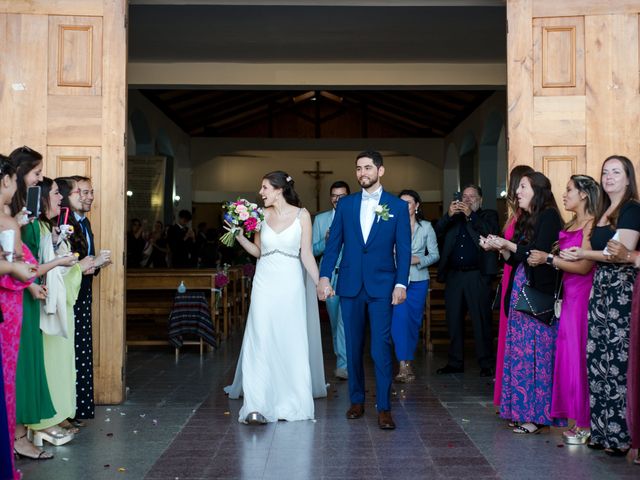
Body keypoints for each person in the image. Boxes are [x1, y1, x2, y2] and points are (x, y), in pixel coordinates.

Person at [317, 150, 411, 430]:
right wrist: (324, 277)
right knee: (353, 346)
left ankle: (384, 407)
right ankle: (356, 401)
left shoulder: (396, 206)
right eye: (358, 169)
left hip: (383, 286)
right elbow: (333, 245)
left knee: (381, 348)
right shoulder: (346, 205)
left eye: (368, 168)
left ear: (380, 171)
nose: (362, 173)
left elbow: (404, 250)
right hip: (349, 285)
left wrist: (401, 282)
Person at [225, 171, 326, 424]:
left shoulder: (302, 216)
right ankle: (256, 405)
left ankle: (290, 400)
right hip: (264, 283)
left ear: (279, 189)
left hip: (291, 283)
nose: (261, 193)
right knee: (261, 337)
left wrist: (320, 283)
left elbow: (306, 255)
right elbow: (258, 252)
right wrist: (239, 236)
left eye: (265, 188)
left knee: (289, 338)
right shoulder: (260, 215)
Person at [560, 155, 640, 456]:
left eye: (616, 172)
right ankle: (601, 430)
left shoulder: (632, 209)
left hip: (621, 289)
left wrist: (582, 253)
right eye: (605, 172)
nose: (608, 177)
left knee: (617, 363)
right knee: (597, 359)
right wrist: (587, 253)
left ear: (628, 178)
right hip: (601, 288)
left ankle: (619, 436)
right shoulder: (604, 211)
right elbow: (604, 252)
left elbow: (621, 252)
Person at [484, 171, 565, 434]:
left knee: (536, 354)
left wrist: (509, 244)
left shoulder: (549, 215)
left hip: (536, 292)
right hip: (520, 287)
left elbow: (536, 254)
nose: (516, 192)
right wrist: (500, 247)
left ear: (537, 190)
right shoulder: (527, 219)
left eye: (522, 187)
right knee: (520, 352)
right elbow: (516, 258)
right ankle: (520, 410)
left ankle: (537, 416)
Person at [527, 175, 599, 444]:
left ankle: (586, 422)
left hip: (582, 296)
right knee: (568, 359)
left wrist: (549, 259)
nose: (564, 194)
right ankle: (575, 419)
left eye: (569, 190)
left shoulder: (592, 225)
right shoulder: (570, 223)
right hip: (567, 295)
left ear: (583, 194)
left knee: (580, 358)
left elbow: (583, 266)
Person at [26, 178, 94, 446]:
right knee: (51, 362)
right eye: (55, 193)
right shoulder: (36, 227)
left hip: (60, 301)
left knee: (64, 361)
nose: (60, 199)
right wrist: (73, 264)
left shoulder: (49, 226)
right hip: (45, 302)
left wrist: (68, 260)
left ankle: (58, 415)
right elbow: (37, 265)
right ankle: (44, 421)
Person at [434, 185, 499, 376]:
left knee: (481, 320)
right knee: (453, 320)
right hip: (454, 276)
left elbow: (490, 232)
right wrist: (447, 215)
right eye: (464, 196)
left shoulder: (488, 215)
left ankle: (486, 363)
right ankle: (455, 362)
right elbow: (436, 234)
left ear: (480, 199)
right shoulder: (453, 219)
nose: (468, 199)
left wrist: (471, 215)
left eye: (472, 196)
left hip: (477, 275)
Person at [61, 175, 110, 421]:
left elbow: (85, 261)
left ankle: (78, 408)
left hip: (82, 290)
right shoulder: (65, 223)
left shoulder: (85, 223)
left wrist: (96, 264)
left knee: (80, 349)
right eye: (84, 192)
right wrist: (88, 264)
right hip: (68, 292)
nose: (89, 196)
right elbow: (64, 261)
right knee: (69, 350)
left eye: (91, 192)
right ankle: (68, 411)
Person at [492, 165, 534, 407]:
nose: (515, 189)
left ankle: (514, 397)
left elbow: (521, 246)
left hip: (518, 271)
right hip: (511, 269)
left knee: (516, 334)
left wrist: (504, 245)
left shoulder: (525, 216)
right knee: (508, 333)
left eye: (518, 185)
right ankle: (508, 397)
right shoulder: (515, 213)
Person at [392, 189, 439, 383]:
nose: (405, 206)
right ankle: (403, 365)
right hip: (396, 281)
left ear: (417, 205)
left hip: (419, 280)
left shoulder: (426, 227)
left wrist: (417, 259)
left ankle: (408, 360)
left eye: (409, 203)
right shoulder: (391, 225)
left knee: (413, 322)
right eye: (401, 203)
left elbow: (435, 255)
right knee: (398, 321)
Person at [312, 180, 350, 380]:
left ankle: (344, 364)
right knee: (336, 322)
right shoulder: (320, 219)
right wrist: (325, 242)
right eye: (334, 195)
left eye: (342, 196)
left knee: (346, 321)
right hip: (330, 277)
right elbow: (312, 250)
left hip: (350, 276)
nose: (337, 199)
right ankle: (341, 357)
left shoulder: (354, 216)